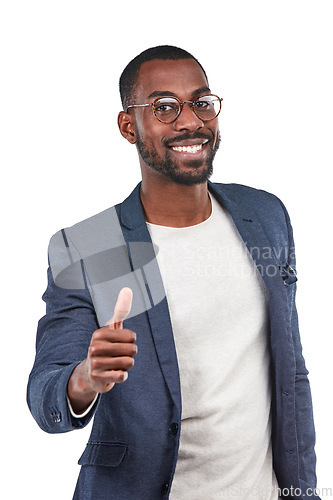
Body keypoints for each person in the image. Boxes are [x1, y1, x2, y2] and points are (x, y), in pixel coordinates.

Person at [27, 45, 319, 499]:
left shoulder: (263, 214)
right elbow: (46, 391)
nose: (190, 121)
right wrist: (85, 377)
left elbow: (291, 371)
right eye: (164, 107)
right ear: (129, 126)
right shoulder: (94, 246)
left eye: (201, 102)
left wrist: (303, 491)